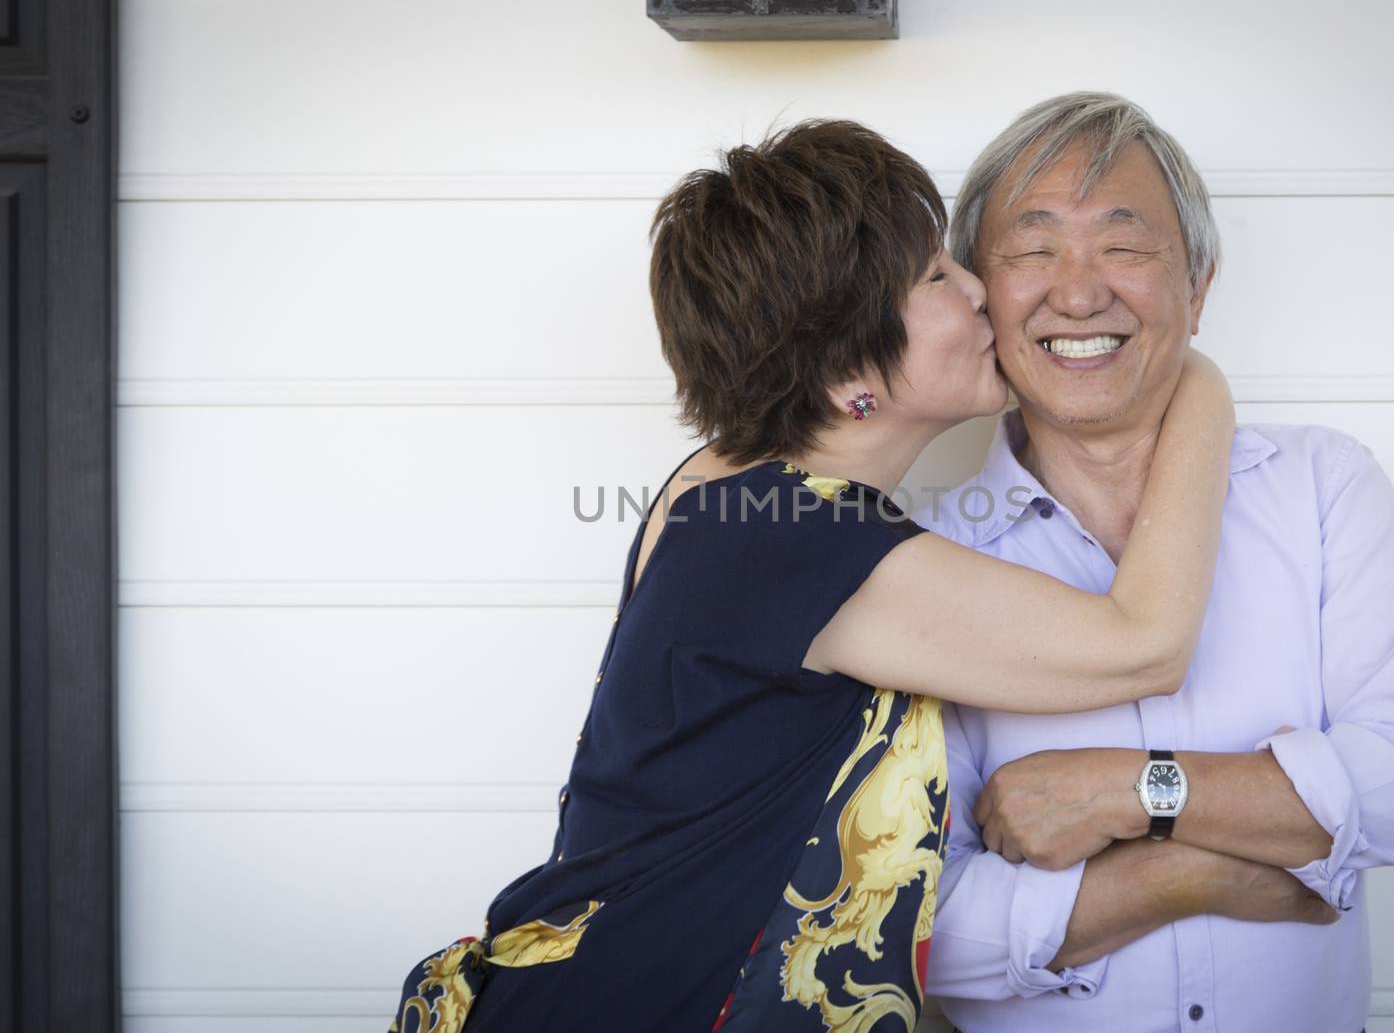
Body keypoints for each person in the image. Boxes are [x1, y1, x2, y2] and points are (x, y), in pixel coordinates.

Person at [385, 117, 1237, 1033]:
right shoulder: (798, 543)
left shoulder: (720, 489)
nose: (982, 289)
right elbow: (1145, 644)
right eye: (937, 277)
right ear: (846, 374)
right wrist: (1198, 380)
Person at [916, 92, 1394, 1033]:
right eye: (1032, 248)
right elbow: (917, 931)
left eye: (1124, 246)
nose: (1080, 291)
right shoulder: (927, 557)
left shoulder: (1323, 488)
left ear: (1200, 286)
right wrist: (1187, 868)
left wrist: (1132, 789)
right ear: (980, 294)